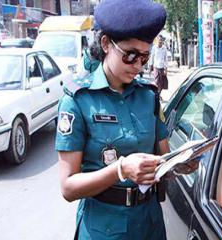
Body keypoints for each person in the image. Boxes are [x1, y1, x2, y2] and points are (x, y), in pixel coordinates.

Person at [55, 1, 171, 239]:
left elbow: (163, 156)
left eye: (145, 58)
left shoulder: (148, 96)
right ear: (106, 44)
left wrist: (179, 165)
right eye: (130, 55)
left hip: (149, 223)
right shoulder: (78, 100)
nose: (138, 66)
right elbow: (68, 188)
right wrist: (121, 169)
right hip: (104, 227)